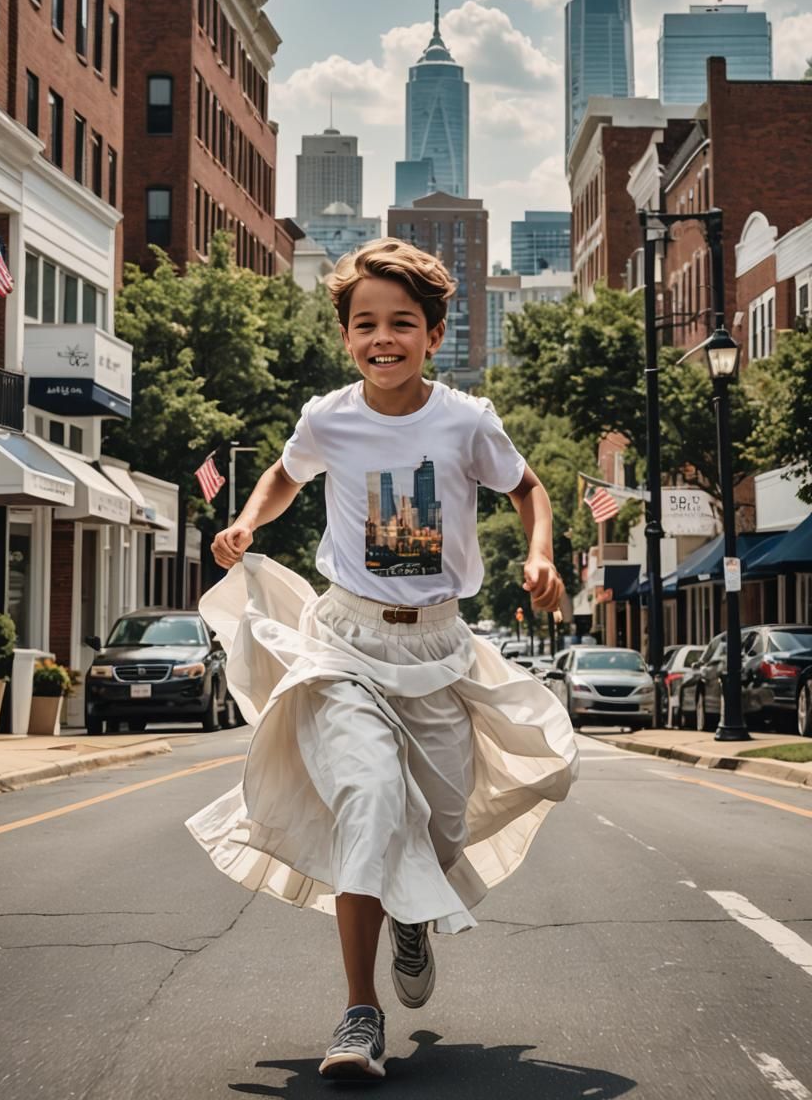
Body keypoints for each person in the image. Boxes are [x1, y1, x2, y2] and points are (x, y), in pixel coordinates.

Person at [187, 238, 578, 1082]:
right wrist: (250, 522)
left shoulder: (467, 421)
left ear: (434, 335)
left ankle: (414, 915)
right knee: (365, 797)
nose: (383, 337)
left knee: (437, 827)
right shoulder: (329, 416)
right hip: (347, 640)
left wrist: (539, 553)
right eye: (366, 323)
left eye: (402, 322)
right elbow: (286, 477)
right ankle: (359, 1013)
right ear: (346, 337)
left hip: (437, 643)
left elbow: (528, 487)